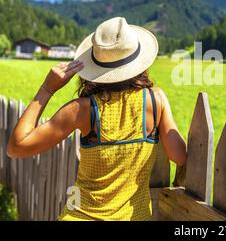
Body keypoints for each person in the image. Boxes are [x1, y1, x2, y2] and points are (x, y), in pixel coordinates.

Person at [7, 17, 187, 220]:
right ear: (138, 60)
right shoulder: (156, 100)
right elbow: (179, 156)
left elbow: (16, 147)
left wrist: (47, 88)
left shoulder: (81, 110)